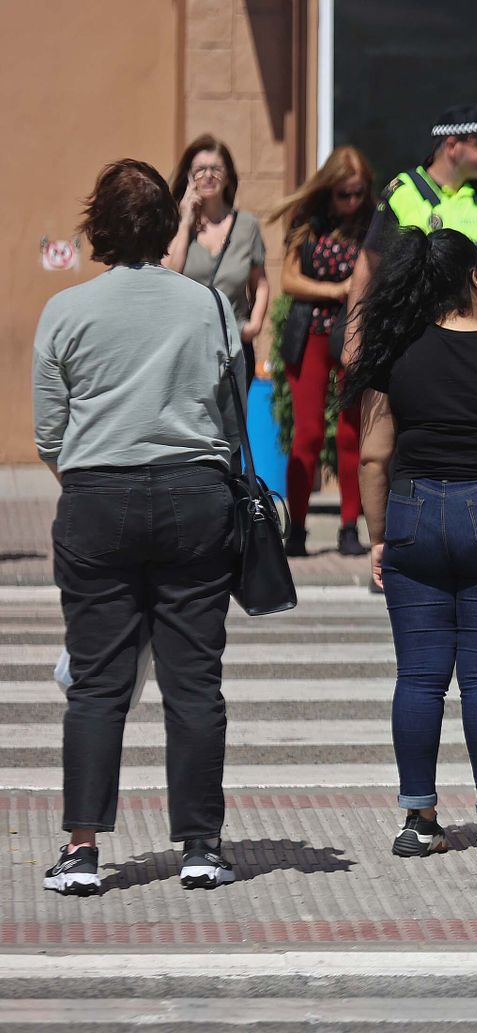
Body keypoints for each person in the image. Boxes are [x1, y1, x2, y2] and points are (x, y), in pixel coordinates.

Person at [33, 158, 248, 895]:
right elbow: (231, 414)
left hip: (96, 498)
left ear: (99, 227)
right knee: (195, 682)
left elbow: (47, 431)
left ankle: (83, 850)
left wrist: (95, 478)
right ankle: (200, 844)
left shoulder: (65, 311)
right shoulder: (211, 307)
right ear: (166, 228)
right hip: (195, 497)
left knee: (97, 683)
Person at [343, 227, 477, 861]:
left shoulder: (395, 351)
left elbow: (374, 458)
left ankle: (418, 820)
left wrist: (378, 535)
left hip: (414, 515)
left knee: (419, 678)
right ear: (475, 279)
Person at [344, 104, 477, 362]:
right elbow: (368, 264)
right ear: (452, 146)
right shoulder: (403, 193)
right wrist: (354, 337)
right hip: (412, 344)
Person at [266, 145, 376, 557]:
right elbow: (290, 280)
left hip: (355, 332)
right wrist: (337, 289)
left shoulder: (373, 221)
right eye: (343, 194)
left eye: (358, 192)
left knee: (353, 434)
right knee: (307, 434)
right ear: (328, 190)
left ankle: (351, 527)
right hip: (309, 331)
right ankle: (296, 529)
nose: (351, 202)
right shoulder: (308, 221)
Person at [165, 134, 270, 382]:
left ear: (228, 175)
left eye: (216, 169)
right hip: (189, 347)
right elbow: (168, 276)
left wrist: (253, 326)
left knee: (233, 420)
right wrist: (185, 221)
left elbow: (261, 283)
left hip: (234, 348)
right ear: (189, 177)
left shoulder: (247, 226)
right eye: (200, 170)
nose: (208, 176)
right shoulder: (177, 227)